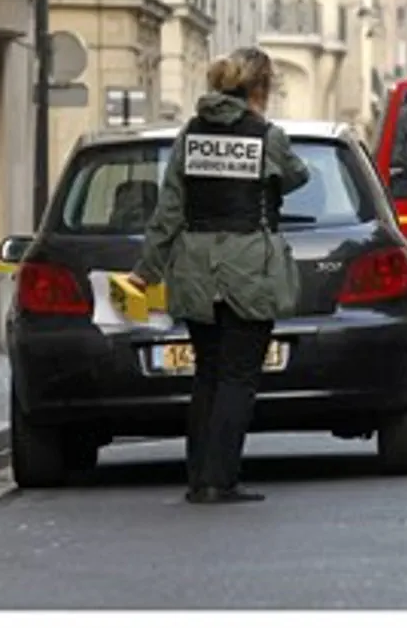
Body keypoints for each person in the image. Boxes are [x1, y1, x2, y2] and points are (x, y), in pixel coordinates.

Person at [128, 47, 310, 504]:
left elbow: (168, 212)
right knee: (238, 376)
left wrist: (145, 272)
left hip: (194, 268)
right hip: (249, 266)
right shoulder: (267, 136)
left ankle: (198, 479)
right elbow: (298, 176)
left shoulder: (190, 137)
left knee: (207, 374)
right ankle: (220, 479)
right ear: (260, 88)